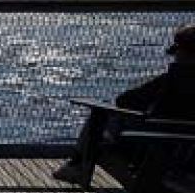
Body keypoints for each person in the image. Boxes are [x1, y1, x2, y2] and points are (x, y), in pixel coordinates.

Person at [54, 22, 195, 184]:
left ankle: (78, 164)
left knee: (102, 116)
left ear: (182, 53)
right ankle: (77, 164)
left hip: (154, 148)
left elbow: (124, 100)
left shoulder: (172, 80)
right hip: (186, 155)